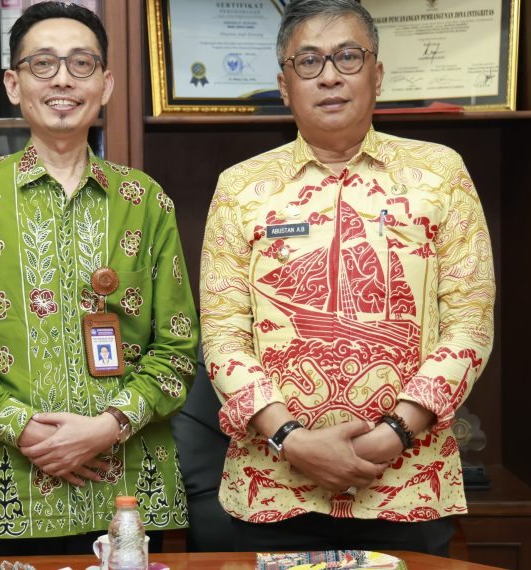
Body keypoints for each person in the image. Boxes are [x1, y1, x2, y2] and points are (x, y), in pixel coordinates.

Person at [199, 0, 495, 556]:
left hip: (407, 485)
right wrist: (292, 440)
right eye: (308, 61)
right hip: (274, 488)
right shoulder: (240, 187)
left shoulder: (440, 173)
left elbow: (469, 326)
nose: (330, 76)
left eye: (348, 57)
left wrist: (394, 434)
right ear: (284, 85)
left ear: (377, 75)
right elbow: (222, 336)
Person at [0, 2, 199, 560]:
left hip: (126, 494)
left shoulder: (144, 200)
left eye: (81, 64)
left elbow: (178, 349)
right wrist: (24, 429)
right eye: (43, 64)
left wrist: (107, 426)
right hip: (0, 492)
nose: (62, 79)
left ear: (106, 84)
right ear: (13, 85)